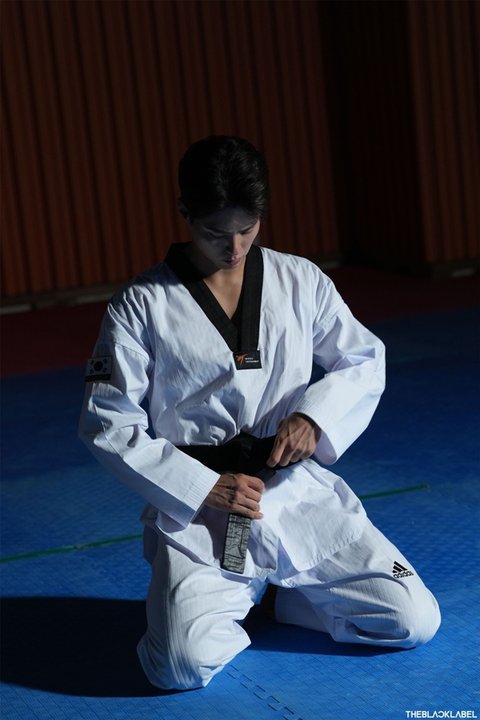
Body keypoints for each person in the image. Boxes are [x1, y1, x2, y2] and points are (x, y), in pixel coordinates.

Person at [79, 135, 440, 691]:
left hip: (292, 491)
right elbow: (108, 423)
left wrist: (314, 417)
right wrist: (203, 486)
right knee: (178, 666)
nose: (234, 247)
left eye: (247, 229)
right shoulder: (142, 303)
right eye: (214, 232)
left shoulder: (300, 280)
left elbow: (363, 357)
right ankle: (235, 597)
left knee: (411, 619)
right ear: (184, 212)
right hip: (202, 511)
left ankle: (274, 600)